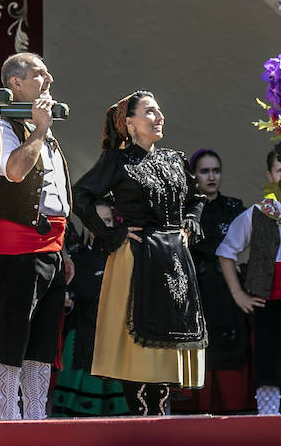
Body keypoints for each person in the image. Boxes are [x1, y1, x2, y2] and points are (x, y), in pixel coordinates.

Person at [72, 92, 206, 416]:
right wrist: (112, 233)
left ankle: (159, 418)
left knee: (164, 344)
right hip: (135, 256)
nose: (159, 116)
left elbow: (196, 197)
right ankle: (140, 418)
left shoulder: (175, 159)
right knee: (136, 344)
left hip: (173, 259)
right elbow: (81, 195)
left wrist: (190, 221)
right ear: (129, 123)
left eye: (159, 110)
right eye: (149, 111)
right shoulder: (117, 161)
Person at [0, 53, 72, 420]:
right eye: (39, 73)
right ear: (16, 83)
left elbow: (57, 197)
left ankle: (36, 413)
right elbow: (15, 172)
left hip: (51, 245)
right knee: (13, 331)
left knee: (43, 338)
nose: (48, 77)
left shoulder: (44, 129)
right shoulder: (5, 124)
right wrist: (37, 130)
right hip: (16, 247)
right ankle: (9, 414)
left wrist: (66, 251)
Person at [216, 146, 281, 416]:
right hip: (266, 302)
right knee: (268, 363)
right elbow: (226, 252)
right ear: (269, 175)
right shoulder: (256, 213)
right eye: (280, 170)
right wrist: (238, 294)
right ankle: (267, 417)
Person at [181, 148, 250, 414]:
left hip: (227, 292)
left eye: (216, 170)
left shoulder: (234, 207)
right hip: (195, 294)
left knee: (231, 359)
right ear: (194, 176)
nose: (211, 177)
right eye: (204, 171)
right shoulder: (184, 211)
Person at [51, 203, 129, 418]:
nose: (102, 226)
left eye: (108, 221)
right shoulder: (74, 260)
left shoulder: (124, 258)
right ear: (86, 226)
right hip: (80, 339)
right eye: (96, 220)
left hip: (115, 342)